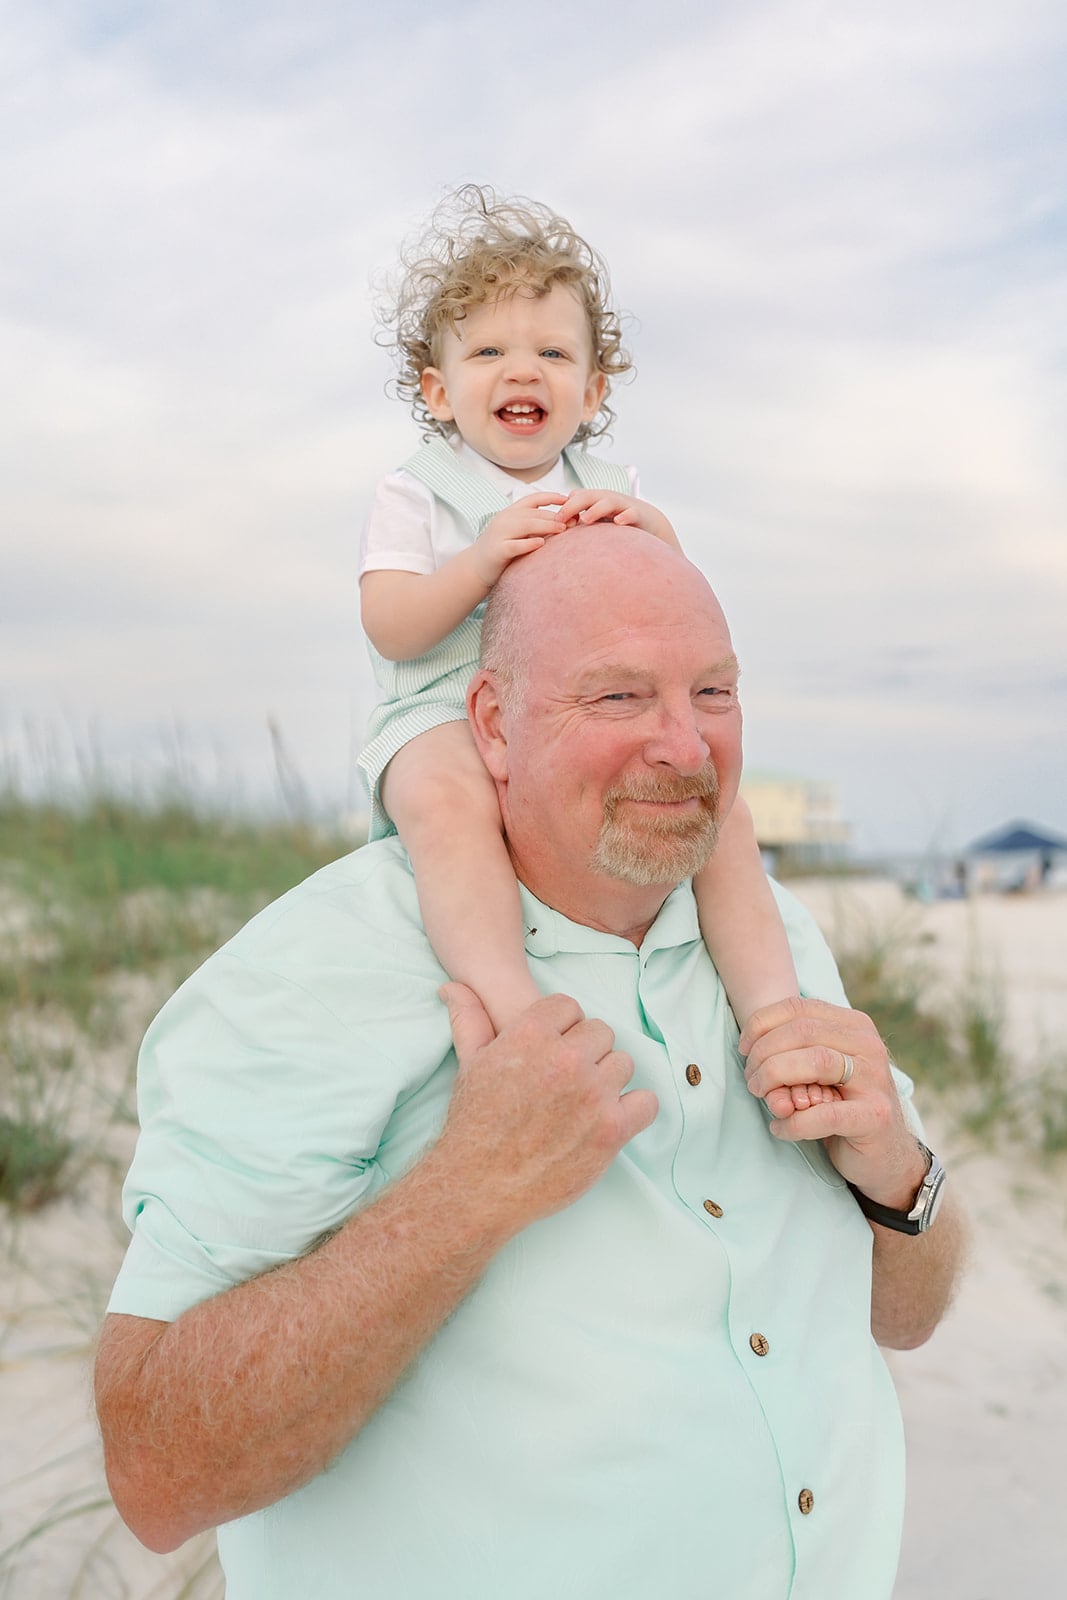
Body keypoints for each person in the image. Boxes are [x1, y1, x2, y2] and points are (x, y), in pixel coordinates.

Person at [95, 524, 965, 1600]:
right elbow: (155, 1470)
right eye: (615, 698)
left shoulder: (776, 943)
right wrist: (468, 1193)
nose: (685, 748)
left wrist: (898, 1175)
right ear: (492, 725)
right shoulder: (318, 966)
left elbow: (906, 1315)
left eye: (713, 693)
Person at [359, 185, 833, 1111]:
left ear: (593, 388)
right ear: (436, 387)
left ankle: (776, 1013)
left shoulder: (612, 483)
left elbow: (671, 607)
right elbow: (391, 624)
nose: (520, 370)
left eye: (551, 351)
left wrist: (649, 529)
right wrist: (483, 558)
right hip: (443, 709)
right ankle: (508, 1008)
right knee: (442, 803)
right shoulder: (417, 492)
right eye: (487, 351)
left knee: (717, 812)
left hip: (580, 714)